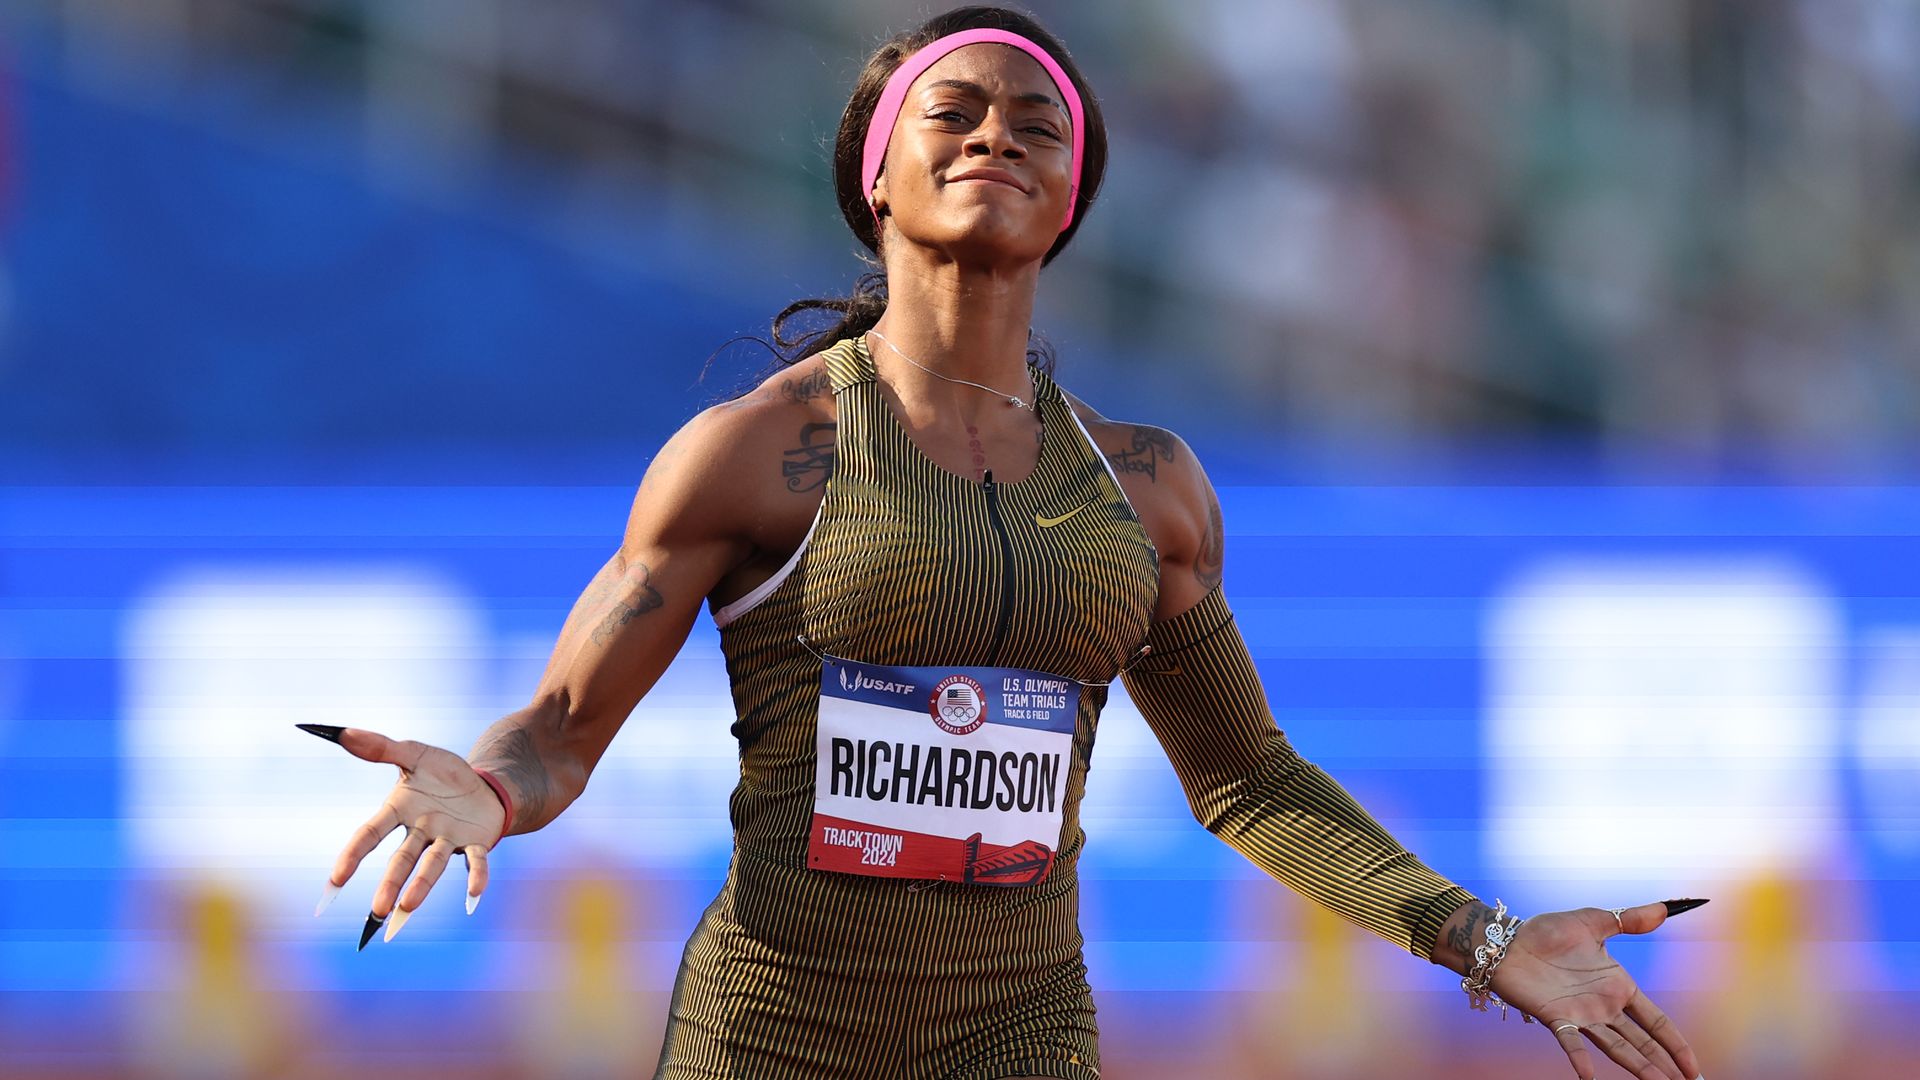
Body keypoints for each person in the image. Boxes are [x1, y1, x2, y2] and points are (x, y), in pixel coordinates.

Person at [305, 7, 1708, 1079]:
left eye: (1037, 126)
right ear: (879, 179)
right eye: (954, 115)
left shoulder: (1149, 490)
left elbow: (1248, 780)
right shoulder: (757, 455)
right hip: (770, 1040)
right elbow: (558, 729)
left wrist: (1481, 938)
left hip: (1023, 1043)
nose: (995, 139)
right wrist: (486, 788)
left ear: (1072, 197)